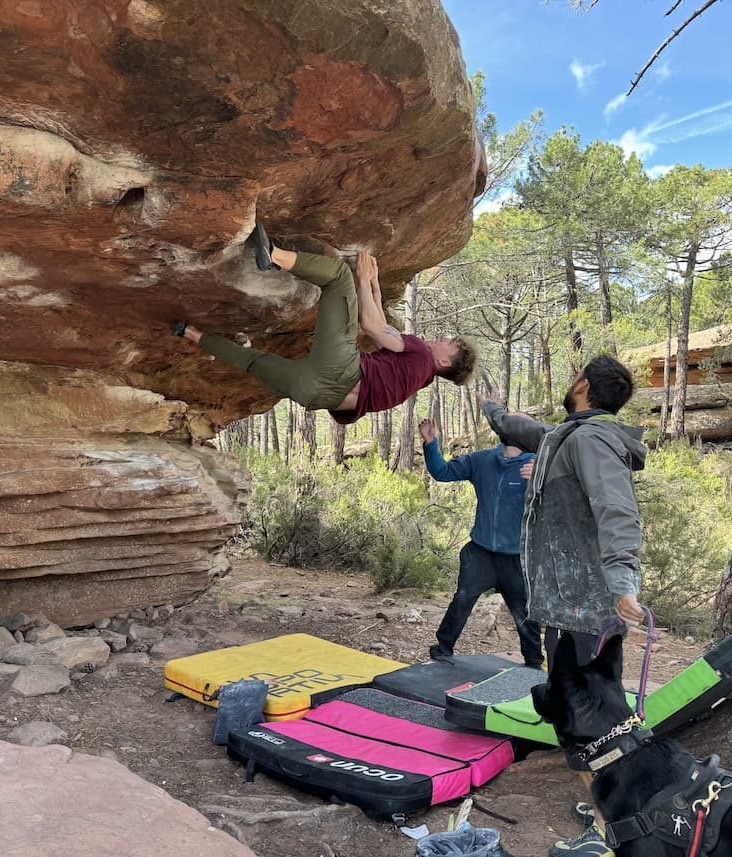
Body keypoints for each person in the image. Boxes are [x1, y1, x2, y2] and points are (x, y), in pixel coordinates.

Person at [482, 355, 647, 857]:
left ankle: (607, 831)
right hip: (569, 607)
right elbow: (528, 429)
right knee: (592, 711)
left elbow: (618, 511)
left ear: (582, 385)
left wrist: (622, 581)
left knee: (588, 717)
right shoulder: (571, 436)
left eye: (573, 373)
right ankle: (610, 804)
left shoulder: (593, 441)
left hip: (586, 611)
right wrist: (491, 409)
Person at [172, 225, 476, 424]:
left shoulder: (421, 353)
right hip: (314, 395)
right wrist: (372, 285)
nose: (444, 336)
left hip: (339, 370)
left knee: (338, 278)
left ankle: (272, 254)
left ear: (445, 359)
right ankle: (188, 331)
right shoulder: (415, 379)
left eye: (451, 341)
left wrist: (360, 279)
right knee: (252, 362)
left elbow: (371, 325)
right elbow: (385, 327)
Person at [418, 416, 543, 668]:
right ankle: (442, 650)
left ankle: (533, 664)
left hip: (516, 558)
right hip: (480, 553)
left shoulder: (538, 466)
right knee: (462, 600)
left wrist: (543, 480)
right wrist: (431, 443)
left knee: (524, 613)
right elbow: (442, 472)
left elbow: (561, 507)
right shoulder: (482, 460)